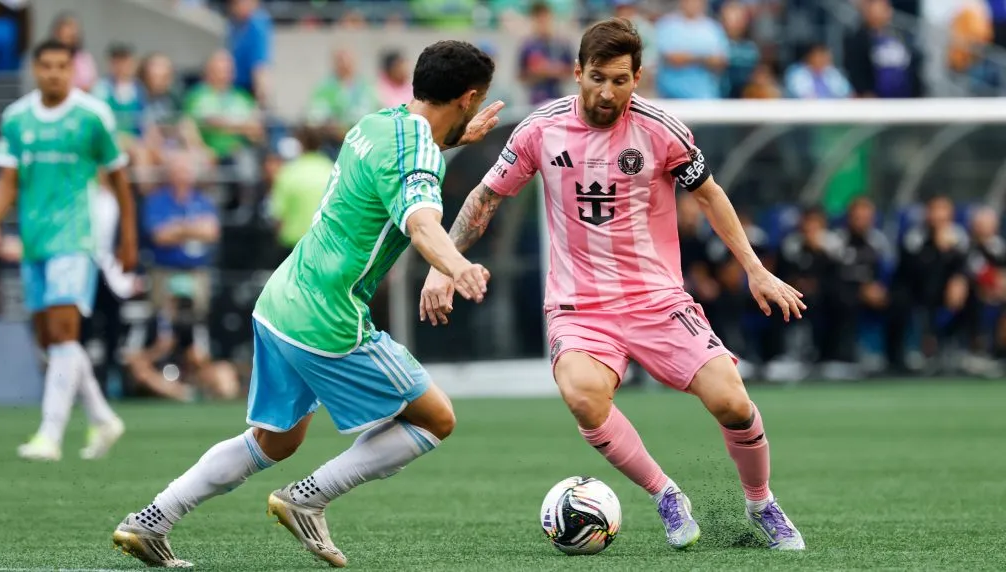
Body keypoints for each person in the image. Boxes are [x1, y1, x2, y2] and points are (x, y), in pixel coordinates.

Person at [110, 40, 504, 568]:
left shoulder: (375, 124)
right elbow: (421, 222)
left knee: (274, 441)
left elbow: (403, 163)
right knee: (435, 418)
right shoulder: (418, 152)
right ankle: (308, 498)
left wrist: (456, 137)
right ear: (470, 97)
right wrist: (457, 266)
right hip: (328, 315)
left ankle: (152, 519)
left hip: (282, 301)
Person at [420, 18, 806, 551]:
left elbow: (711, 195)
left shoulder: (661, 129)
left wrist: (755, 268)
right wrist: (444, 264)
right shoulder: (540, 130)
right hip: (579, 306)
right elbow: (485, 198)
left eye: (620, 80)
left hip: (656, 297)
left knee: (733, 402)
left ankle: (761, 502)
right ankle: (665, 492)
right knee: (582, 395)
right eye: (597, 77)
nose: (608, 91)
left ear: (637, 77)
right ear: (577, 72)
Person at [0, 39, 139, 461]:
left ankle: (50, 434)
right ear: (35, 70)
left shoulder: (93, 116)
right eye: (46, 66)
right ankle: (103, 418)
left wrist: (129, 237)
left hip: (76, 239)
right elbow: (9, 180)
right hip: (35, 242)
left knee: (66, 333)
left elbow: (120, 180)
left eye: (61, 66)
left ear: (73, 70)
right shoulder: (17, 119)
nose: (53, 73)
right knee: (50, 340)